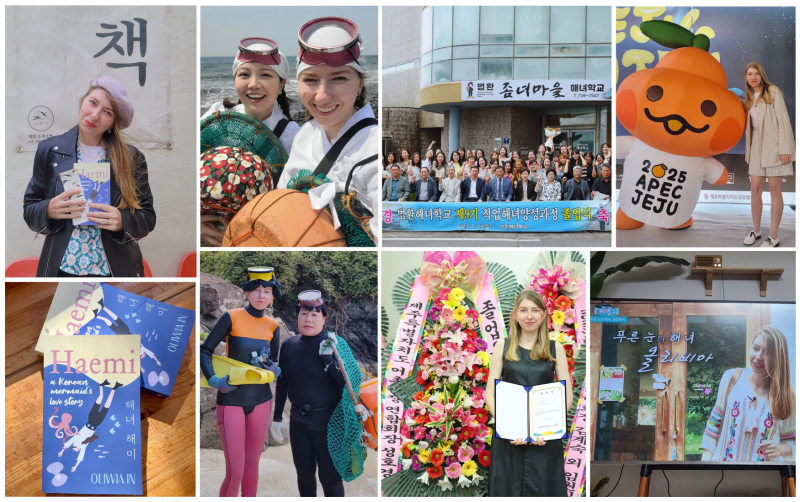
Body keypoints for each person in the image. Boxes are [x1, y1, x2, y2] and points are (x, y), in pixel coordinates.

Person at [23, 77, 155, 277]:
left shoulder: (131, 158)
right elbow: (30, 209)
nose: (94, 116)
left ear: (113, 123)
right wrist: (48, 209)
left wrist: (122, 221)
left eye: (107, 112)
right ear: (83, 101)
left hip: (115, 270)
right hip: (62, 269)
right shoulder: (49, 150)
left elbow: (147, 217)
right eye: (93, 103)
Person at [277, 17, 379, 240]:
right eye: (310, 80)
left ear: (360, 83)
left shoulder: (374, 149)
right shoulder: (305, 134)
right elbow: (280, 207)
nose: (322, 96)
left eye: (339, 78)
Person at [200, 38, 301, 246]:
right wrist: (196, 225)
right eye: (244, 74)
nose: (253, 84)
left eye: (265, 75)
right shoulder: (215, 117)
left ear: (281, 84)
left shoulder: (292, 135)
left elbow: (292, 200)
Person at [200, 267, 283, 496]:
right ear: (247, 293)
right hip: (231, 400)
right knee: (235, 471)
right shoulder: (231, 317)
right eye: (256, 290)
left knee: (251, 468)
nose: (261, 295)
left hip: (262, 400)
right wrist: (214, 380)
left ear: (273, 295)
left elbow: (274, 362)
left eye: (266, 291)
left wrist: (276, 370)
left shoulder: (273, 326)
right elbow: (205, 350)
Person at [486, 290, 572, 496]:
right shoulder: (502, 347)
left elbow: (566, 394)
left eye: (535, 310)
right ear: (515, 315)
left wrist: (548, 429)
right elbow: (490, 394)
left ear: (543, 315)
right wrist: (510, 426)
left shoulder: (555, 348)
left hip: (544, 440)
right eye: (523, 310)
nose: (529, 316)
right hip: (509, 439)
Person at [272, 291, 357, 496]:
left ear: (324, 318)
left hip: (329, 423)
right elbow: (283, 382)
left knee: (330, 477)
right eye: (303, 313)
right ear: (297, 316)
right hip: (298, 421)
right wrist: (276, 417)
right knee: (304, 473)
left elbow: (350, 384)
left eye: (314, 314)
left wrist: (329, 360)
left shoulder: (336, 345)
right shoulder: (288, 345)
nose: (308, 319)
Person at [702, 326, 795, 462]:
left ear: (778, 358)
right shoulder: (731, 378)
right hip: (721, 475)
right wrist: (704, 467)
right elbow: (713, 427)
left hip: (764, 479)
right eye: (756, 348)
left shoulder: (788, 395)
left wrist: (780, 449)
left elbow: (793, 440)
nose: (758, 356)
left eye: (768, 353)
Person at [742, 62, 796, 247]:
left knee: (775, 191)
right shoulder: (748, 97)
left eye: (756, 74)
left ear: (762, 75)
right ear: (746, 77)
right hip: (756, 147)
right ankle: (756, 230)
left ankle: (773, 235)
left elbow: (784, 121)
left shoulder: (773, 92)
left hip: (774, 146)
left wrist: (785, 150)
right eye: (750, 74)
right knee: (755, 190)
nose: (753, 77)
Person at [57, 380, 122, 472]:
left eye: (75, 447)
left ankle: (101, 384)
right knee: (107, 405)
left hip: (91, 419)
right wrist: (75, 466)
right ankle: (115, 387)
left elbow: (68, 443)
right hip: (97, 423)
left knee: (101, 397)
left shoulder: (76, 438)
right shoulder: (83, 445)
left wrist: (62, 451)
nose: (76, 447)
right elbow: (80, 457)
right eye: (76, 448)